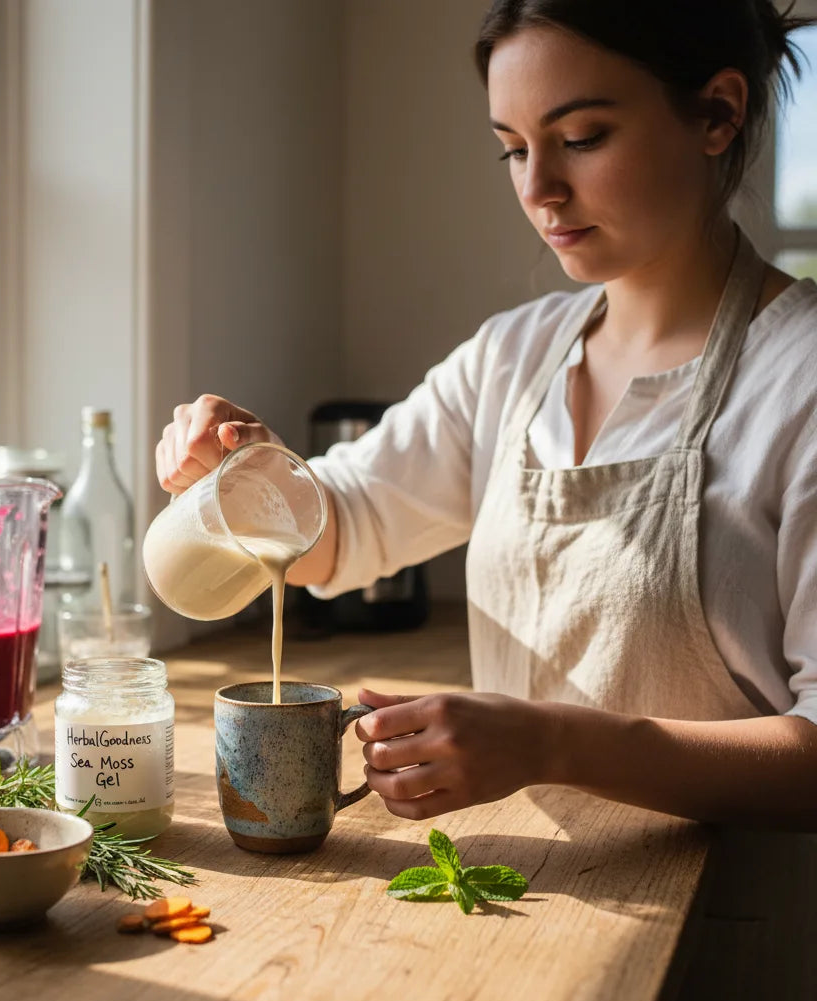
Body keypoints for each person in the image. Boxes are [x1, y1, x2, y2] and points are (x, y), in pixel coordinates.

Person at [154, 0, 817, 830]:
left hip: (736, 927)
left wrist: (552, 745)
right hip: (539, 882)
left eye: (581, 138)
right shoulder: (514, 357)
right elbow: (343, 530)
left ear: (718, 112)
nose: (539, 189)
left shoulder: (801, 381)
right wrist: (246, 468)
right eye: (512, 149)